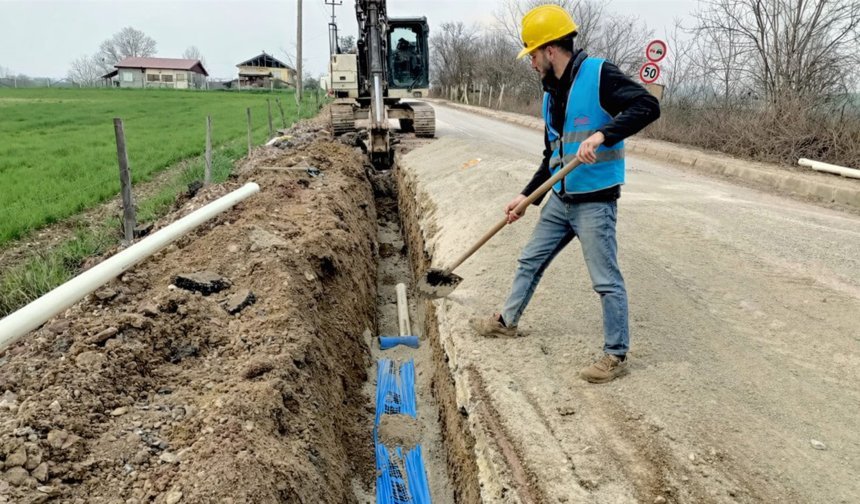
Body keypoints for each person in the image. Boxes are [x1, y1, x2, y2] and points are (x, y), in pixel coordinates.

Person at [469, 4, 660, 384]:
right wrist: (526, 198)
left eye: (533, 54)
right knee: (529, 260)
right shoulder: (549, 94)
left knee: (605, 280)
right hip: (560, 197)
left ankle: (615, 355)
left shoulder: (599, 74)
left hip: (595, 201)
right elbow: (552, 156)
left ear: (550, 50)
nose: (531, 62)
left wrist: (603, 134)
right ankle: (507, 321)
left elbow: (648, 105)